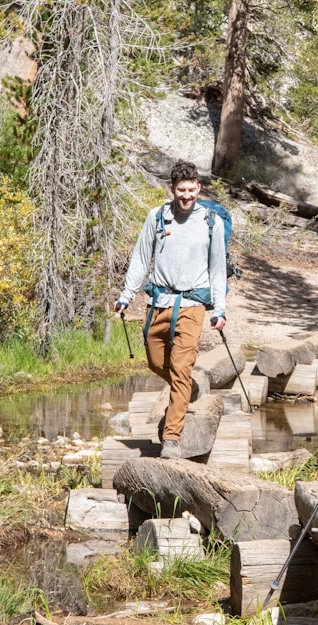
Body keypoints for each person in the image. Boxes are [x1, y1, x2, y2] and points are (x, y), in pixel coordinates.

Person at [114, 160, 227, 453]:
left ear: (198, 188)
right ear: (172, 189)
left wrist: (220, 309)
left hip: (192, 305)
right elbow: (140, 259)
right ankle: (186, 387)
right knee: (154, 361)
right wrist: (126, 295)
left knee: (180, 368)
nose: (187, 196)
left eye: (191, 190)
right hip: (159, 303)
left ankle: (172, 438)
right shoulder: (157, 217)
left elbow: (218, 269)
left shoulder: (210, 222)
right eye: (181, 190)